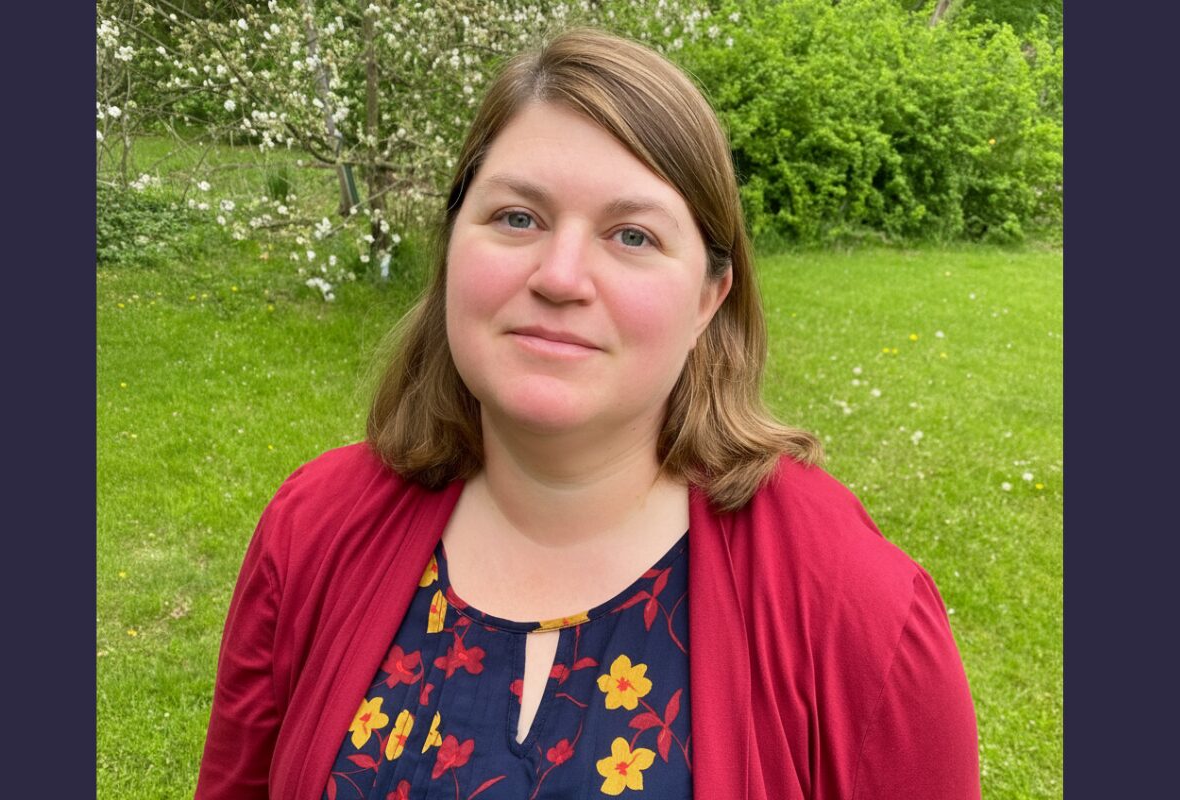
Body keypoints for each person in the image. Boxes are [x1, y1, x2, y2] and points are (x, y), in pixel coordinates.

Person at [195, 28, 980, 800]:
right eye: (517, 218)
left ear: (709, 297)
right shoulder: (312, 532)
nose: (561, 276)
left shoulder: (858, 613)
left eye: (631, 235)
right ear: (452, 246)